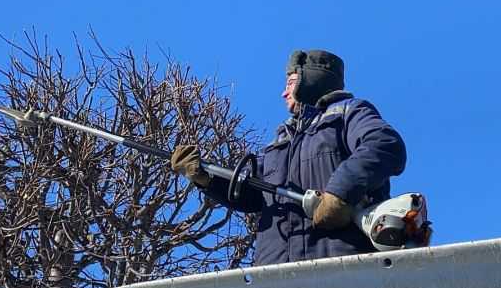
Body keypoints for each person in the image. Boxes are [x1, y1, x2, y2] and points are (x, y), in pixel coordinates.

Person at [171, 49, 407, 266]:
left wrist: (340, 193)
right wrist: (205, 177)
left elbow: (384, 144)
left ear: (312, 79)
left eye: (291, 83)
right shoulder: (281, 142)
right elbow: (252, 193)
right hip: (275, 275)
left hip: (342, 266)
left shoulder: (349, 113)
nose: (284, 92)